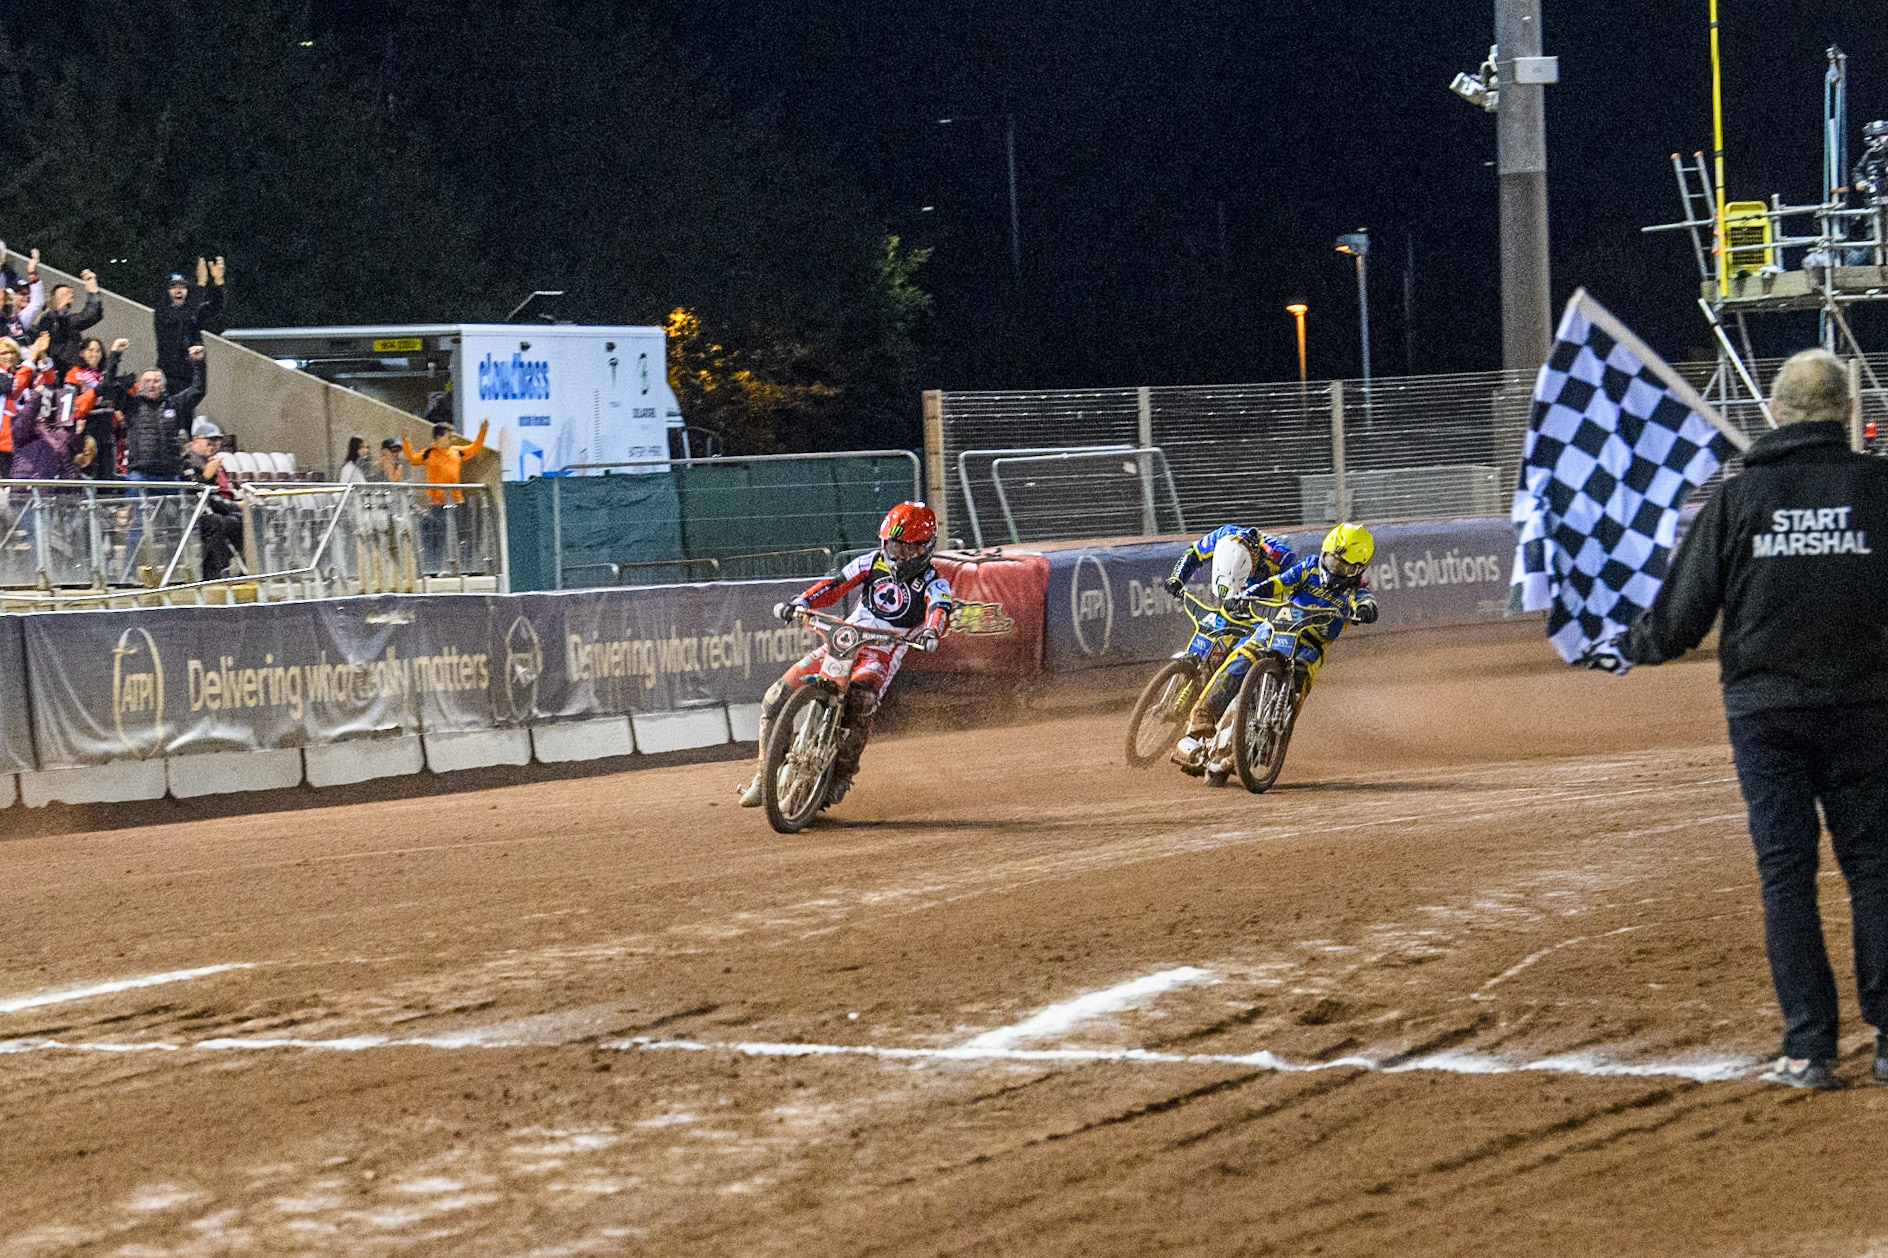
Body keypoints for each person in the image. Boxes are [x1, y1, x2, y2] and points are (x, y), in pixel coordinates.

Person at [1584, 348, 1888, 1090]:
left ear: (1776, 413)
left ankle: (1809, 1048)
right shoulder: (1878, 488)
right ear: (1848, 412)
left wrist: (1624, 647)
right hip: (1863, 705)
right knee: (1876, 868)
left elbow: (1682, 617)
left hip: (1765, 713)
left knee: (1786, 874)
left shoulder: (1738, 500)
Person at [739, 501, 953, 809]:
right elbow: (835, 585)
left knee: (861, 700)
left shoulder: (935, 582)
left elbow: (939, 608)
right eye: (894, 546)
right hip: (843, 640)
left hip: (881, 654)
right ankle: (764, 775)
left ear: (925, 548)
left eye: (908, 549)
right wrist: (801, 601)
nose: (898, 555)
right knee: (775, 697)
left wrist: (932, 631)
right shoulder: (870, 563)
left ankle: (842, 774)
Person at [1173, 521, 1380, 772]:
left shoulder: (1357, 590)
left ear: (1358, 568)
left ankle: (1270, 742)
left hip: (1310, 644)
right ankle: (1199, 725)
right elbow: (1279, 583)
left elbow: (1366, 601)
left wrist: (1365, 610)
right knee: (1238, 661)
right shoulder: (1308, 567)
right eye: (1329, 559)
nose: (1331, 567)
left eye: (1340, 565)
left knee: (1299, 684)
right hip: (1274, 628)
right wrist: (1247, 596)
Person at [1161, 524, 1297, 665]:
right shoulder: (1222, 535)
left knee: (1241, 659)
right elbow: (1194, 552)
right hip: (1233, 603)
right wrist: (1177, 578)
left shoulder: (1280, 555)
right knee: (1213, 640)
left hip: (1264, 612)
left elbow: (1299, 581)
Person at [183, 417, 243, 581]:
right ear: (196, 441)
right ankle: (215, 570)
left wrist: (235, 507)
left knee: (238, 520)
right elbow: (199, 496)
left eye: (216, 442)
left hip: (214, 508)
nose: (213, 446)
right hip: (192, 514)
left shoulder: (216, 463)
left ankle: (231, 566)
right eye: (209, 442)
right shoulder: (189, 463)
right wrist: (206, 478)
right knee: (217, 521)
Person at [153, 257, 225, 389]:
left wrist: (218, 282)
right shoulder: (162, 311)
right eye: (173, 287)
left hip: (190, 374)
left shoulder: (193, 311)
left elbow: (216, 306)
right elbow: (182, 315)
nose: (178, 291)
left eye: (183, 287)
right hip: (168, 375)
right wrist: (201, 284)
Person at [400, 419, 489, 504]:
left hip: (456, 499)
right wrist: (406, 441)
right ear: (439, 437)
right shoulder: (428, 453)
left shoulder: (457, 451)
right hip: (437, 500)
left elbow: (475, 448)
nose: (452, 439)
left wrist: (483, 431)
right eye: (449, 437)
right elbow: (412, 458)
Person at [32, 268, 103, 373]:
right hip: (51, 373)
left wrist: (91, 283)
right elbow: (55, 328)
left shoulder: (70, 321)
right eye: (62, 295)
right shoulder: (44, 320)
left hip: (73, 373)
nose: (66, 298)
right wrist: (60, 311)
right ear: (50, 299)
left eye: (69, 294)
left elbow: (92, 314)